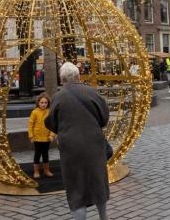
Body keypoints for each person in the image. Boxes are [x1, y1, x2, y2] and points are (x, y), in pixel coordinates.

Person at [44, 62, 109, 220]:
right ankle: (103, 217)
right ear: (78, 75)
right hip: (94, 145)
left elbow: (50, 122)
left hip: (71, 149)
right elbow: (104, 117)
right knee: (98, 182)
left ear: (62, 79)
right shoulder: (91, 92)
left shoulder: (59, 97)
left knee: (76, 189)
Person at [28, 93, 55, 178]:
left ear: (48, 103)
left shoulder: (49, 112)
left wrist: (52, 135)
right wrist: (31, 136)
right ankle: (36, 171)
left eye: (45, 103)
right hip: (37, 138)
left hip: (47, 138)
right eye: (42, 102)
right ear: (38, 103)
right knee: (37, 154)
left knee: (45, 154)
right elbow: (30, 124)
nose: (44, 104)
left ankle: (46, 170)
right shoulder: (35, 112)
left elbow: (52, 125)